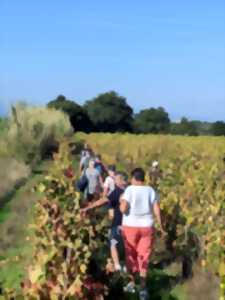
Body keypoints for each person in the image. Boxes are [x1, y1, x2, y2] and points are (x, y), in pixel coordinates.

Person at [120, 168, 165, 300]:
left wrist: (122, 200)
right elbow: (156, 209)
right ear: (143, 178)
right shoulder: (150, 190)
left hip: (130, 226)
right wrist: (160, 225)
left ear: (133, 178)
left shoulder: (129, 190)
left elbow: (123, 209)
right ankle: (143, 290)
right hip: (147, 226)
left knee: (131, 254)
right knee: (144, 256)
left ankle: (131, 283)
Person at [82, 172, 128, 271]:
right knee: (127, 246)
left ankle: (117, 265)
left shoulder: (117, 191)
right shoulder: (131, 191)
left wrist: (88, 208)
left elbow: (102, 201)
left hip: (118, 224)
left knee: (113, 243)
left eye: (116, 179)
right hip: (132, 226)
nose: (114, 182)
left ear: (121, 181)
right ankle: (127, 266)